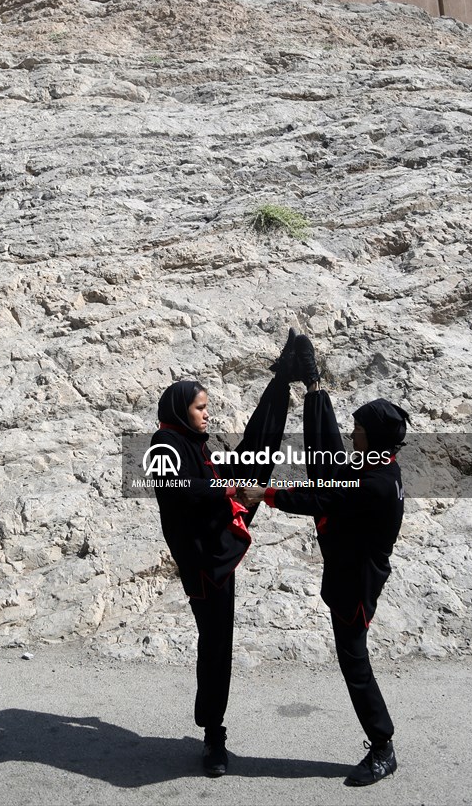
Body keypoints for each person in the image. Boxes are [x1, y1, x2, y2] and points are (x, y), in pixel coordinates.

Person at [242, 333, 408, 788]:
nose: (354, 433)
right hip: (352, 572)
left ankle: (383, 747)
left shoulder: (370, 482)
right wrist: (313, 389)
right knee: (354, 662)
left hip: (355, 586)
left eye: (360, 429)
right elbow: (330, 459)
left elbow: (320, 494)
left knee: (355, 663)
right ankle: (310, 382)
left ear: (372, 437)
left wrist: (265, 493)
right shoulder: (381, 465)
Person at [149, 330, 301, 777]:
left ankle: (281, 381)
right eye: (200, 407)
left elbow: (209, 474)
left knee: (257, 452)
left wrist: (236, 477)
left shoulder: (192, 441)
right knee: (215, 645)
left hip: (216, 540)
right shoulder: (163, 445)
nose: (206, 414)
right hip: (202, 559)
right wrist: (230, 487)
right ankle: (213, 735)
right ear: (180, 409)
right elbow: (175, 487)